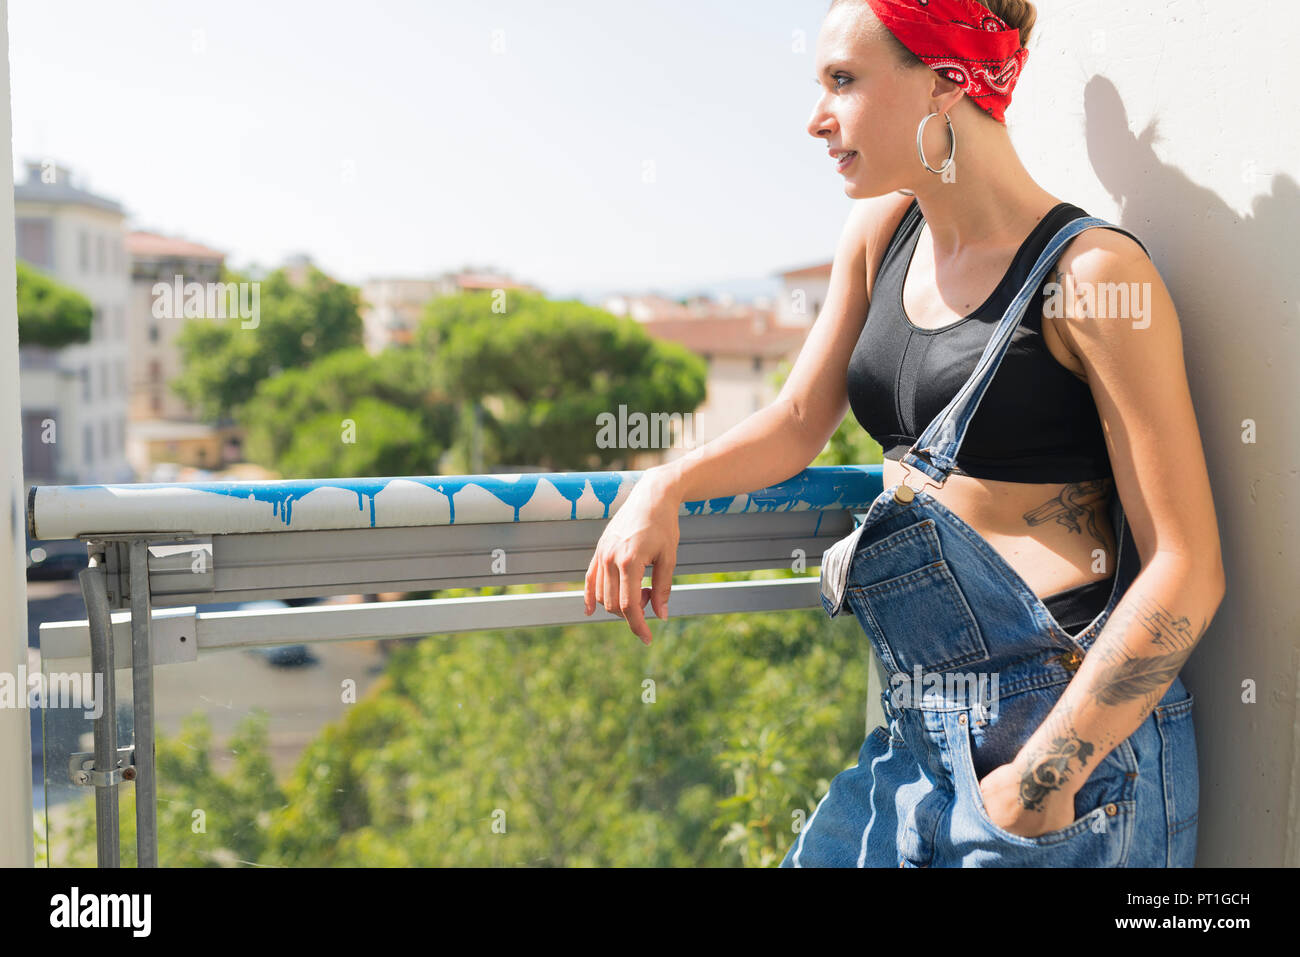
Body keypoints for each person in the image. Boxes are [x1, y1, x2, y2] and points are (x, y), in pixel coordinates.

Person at [583, 0, 1223, 867]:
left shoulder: (1096, 275)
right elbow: (798, 422)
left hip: (1066, 745)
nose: (817, 119)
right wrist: (660, 486)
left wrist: (1038, 781)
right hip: (918, 731)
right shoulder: (884, 232)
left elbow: (1187, 568)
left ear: (944, 84)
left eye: (843, 82)